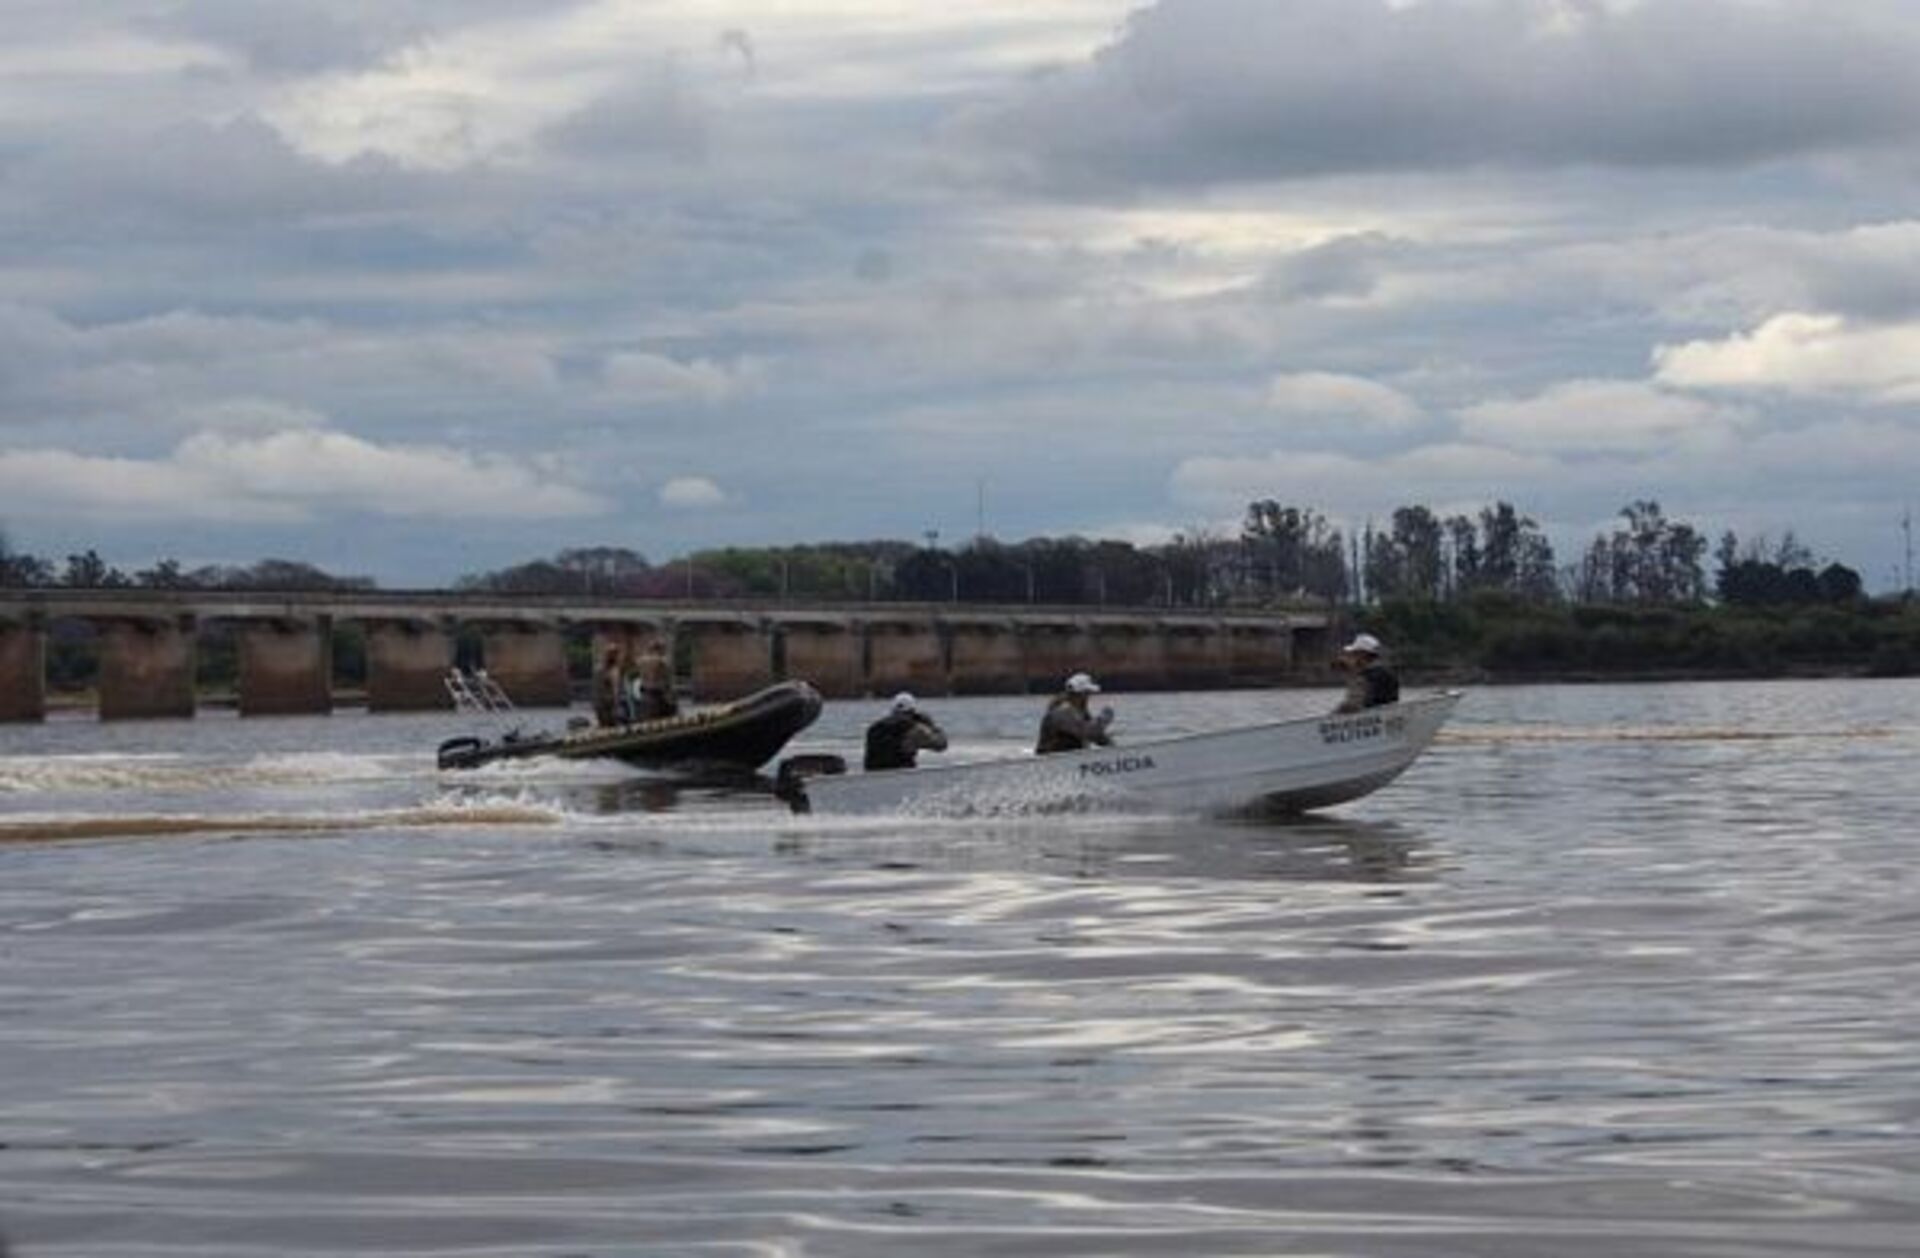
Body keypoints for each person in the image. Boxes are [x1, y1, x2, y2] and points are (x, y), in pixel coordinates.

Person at [863, 692, 949, 771]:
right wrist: (931, 725)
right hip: (900, 775)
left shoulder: (874, 728)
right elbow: (941, 744)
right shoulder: (914, 729)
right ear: (912, 711)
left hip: (873, 775)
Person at [1035, 671, 1114, 754]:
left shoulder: (1080, 711)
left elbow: (1098, 737)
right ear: (1081, 694)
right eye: (1087, 693)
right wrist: (1103, 719)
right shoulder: (1061, 712)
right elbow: (1087, 732)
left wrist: (1113, 749)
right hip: (1052, 761)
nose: (1088, 697)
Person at [1333, 632, 1399, 713]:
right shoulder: (1387, 673)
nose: (1351, 657)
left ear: (1362, 654)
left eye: (1354, 654)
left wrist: (1334, 715)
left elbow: (1354, 705)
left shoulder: (1366, 676)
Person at [632, 638, 679, 720]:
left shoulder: (641, 661)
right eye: (663, 650)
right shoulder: (662, 662)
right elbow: (667, 682)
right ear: (659, 649)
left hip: (644, 695)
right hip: (658, 696)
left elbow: (635, 672)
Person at [593, 645, 625, 727]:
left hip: (599, 703)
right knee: (611, 728)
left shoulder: (598, 669)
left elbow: (597, 688)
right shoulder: (614, 671)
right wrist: (617, 706)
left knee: (603, 726)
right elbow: (615, 690)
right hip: (609, 704)